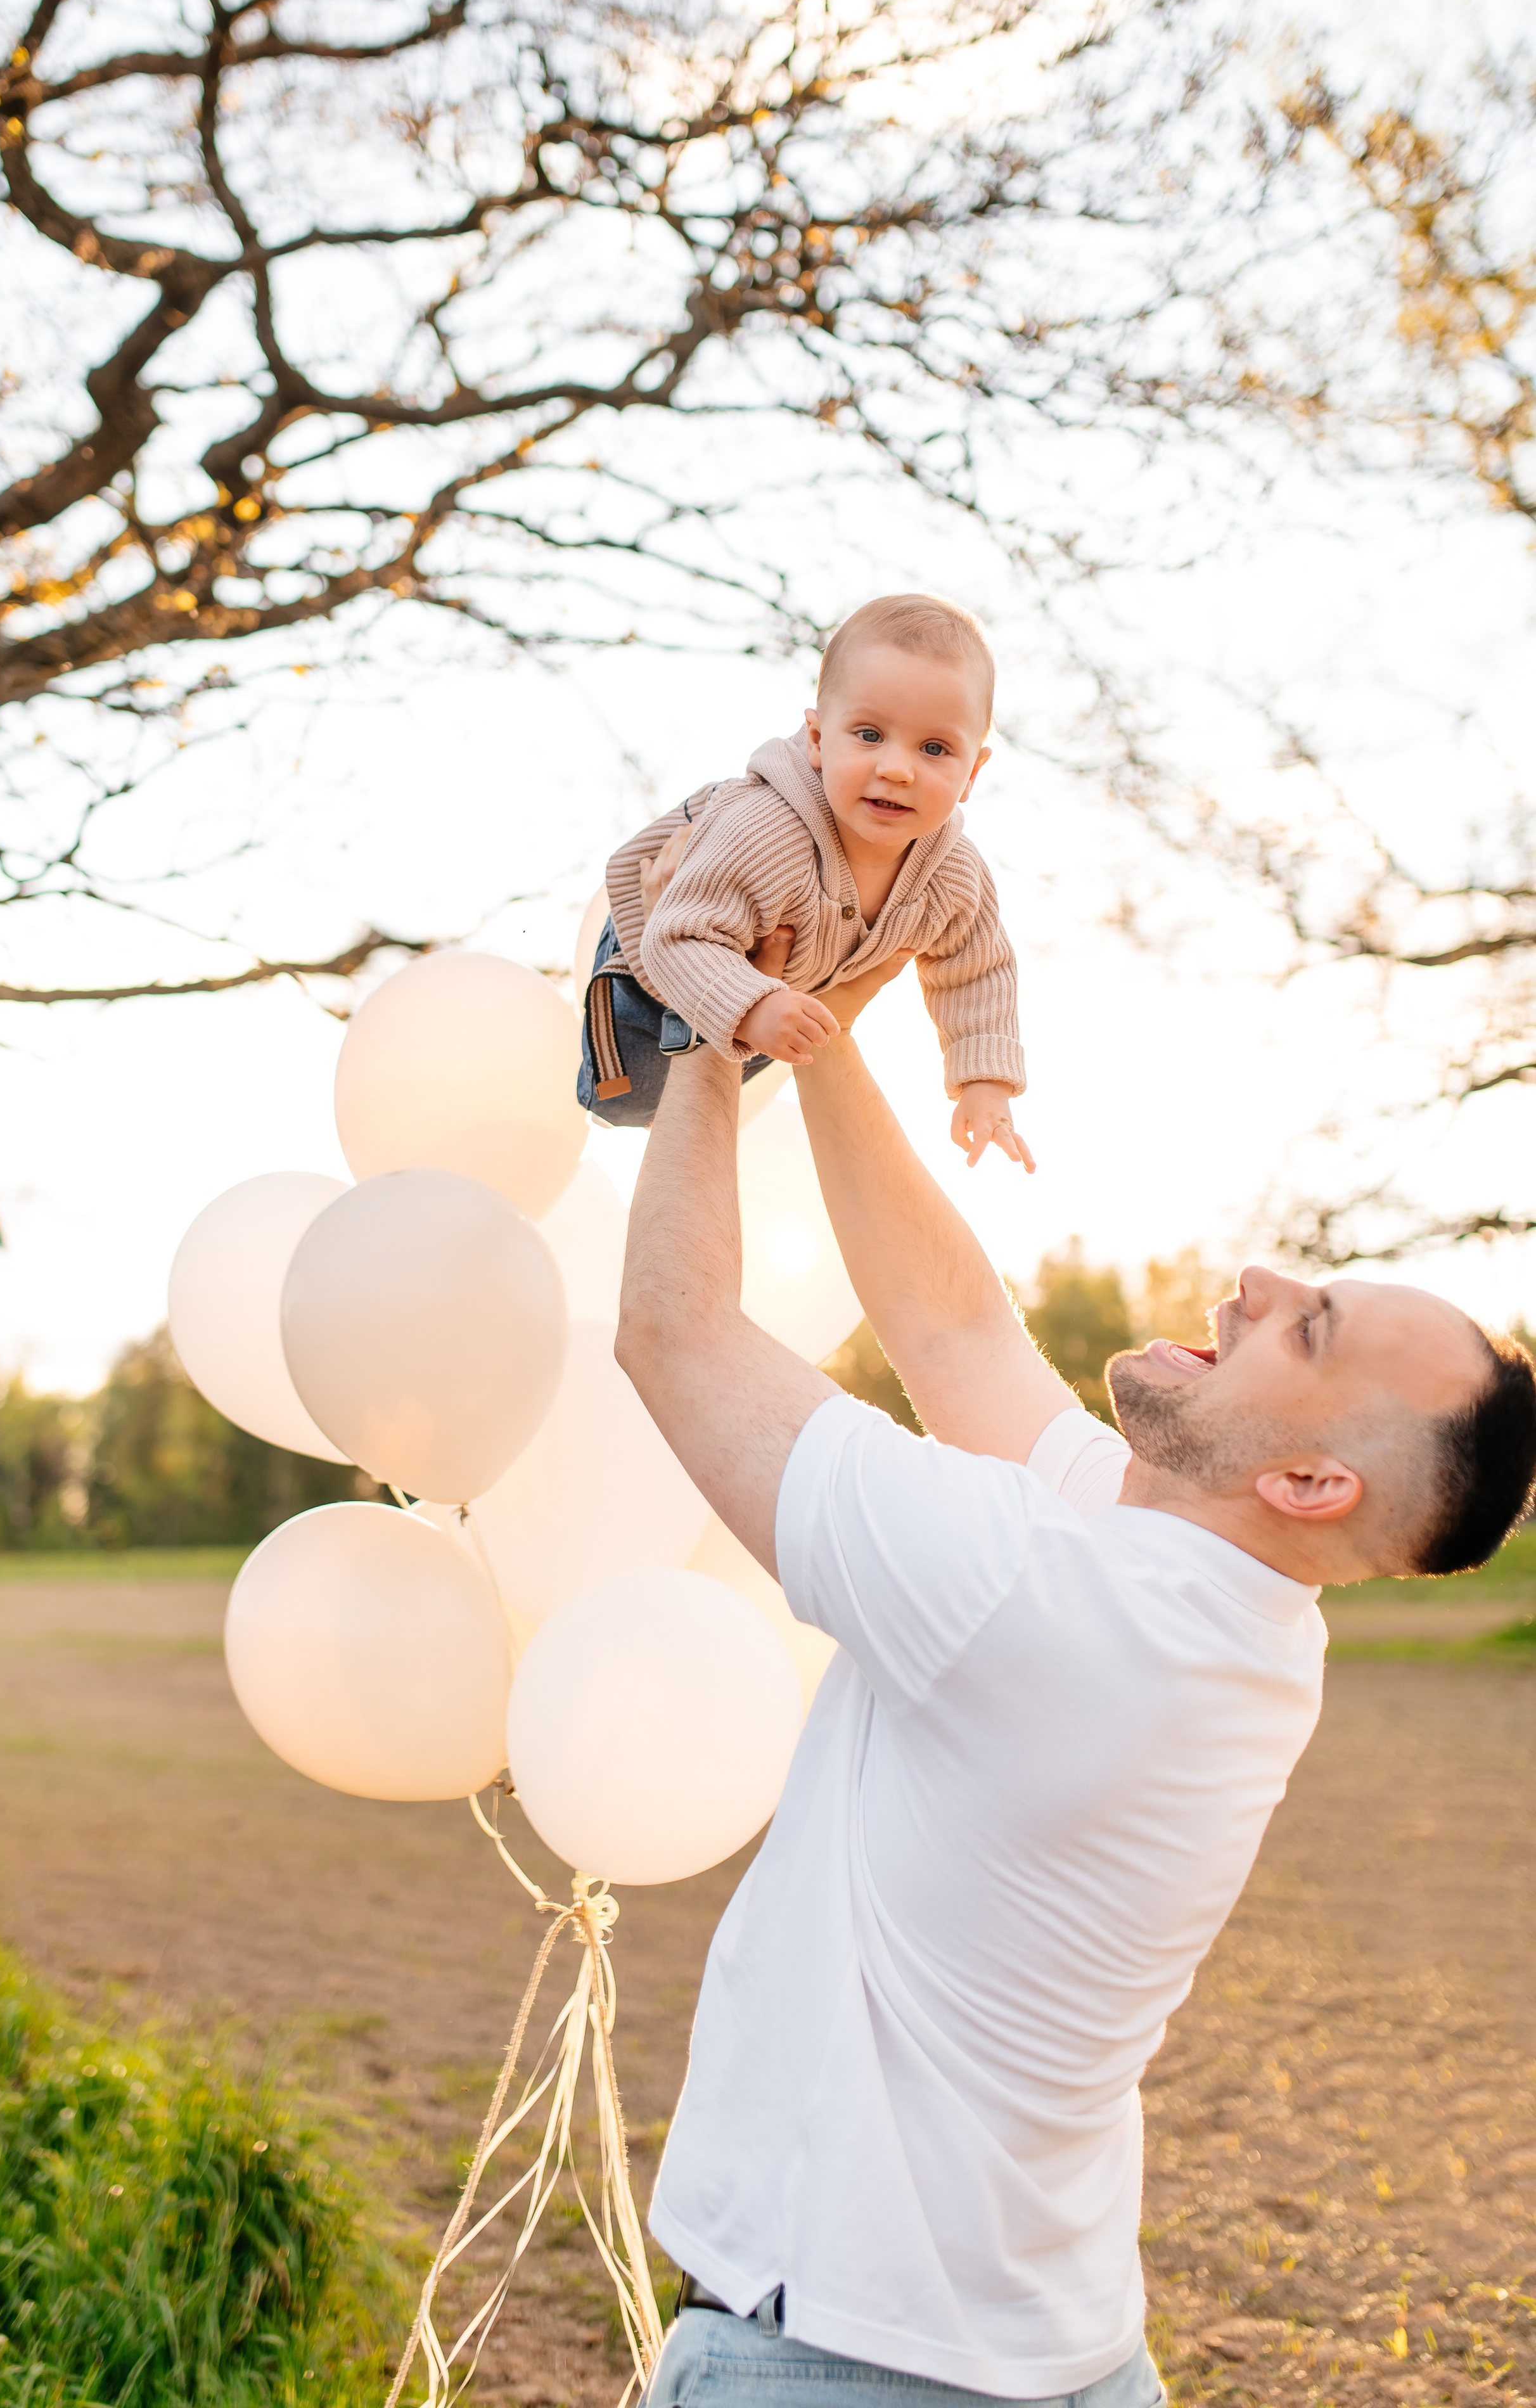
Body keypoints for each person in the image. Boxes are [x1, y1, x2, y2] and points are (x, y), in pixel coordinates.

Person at [613, 957, 1536, 2408]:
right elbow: (953, 1329)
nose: (1256, 1284)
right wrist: (819, 1027)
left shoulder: (1049, 1601)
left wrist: (697, 1024)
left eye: (1305, 1324)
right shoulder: (1217, 1601)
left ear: (1303, 1478)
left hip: (844, 2360)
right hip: (1060, 2350)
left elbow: (673, 1338)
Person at [579, 594, 1034, 1170]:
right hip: (664, 942)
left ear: (972, 772)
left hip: (786, 988)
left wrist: (985, 1083)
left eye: (935, 748)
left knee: (720, 1113)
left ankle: (746, 1027)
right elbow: (678, 937)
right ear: (818, 740)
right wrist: (752, 1008)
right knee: (627, 1098)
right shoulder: (767, 833)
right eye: (869, 735)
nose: (897, 768)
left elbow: (978, 967)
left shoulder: (953, 875)